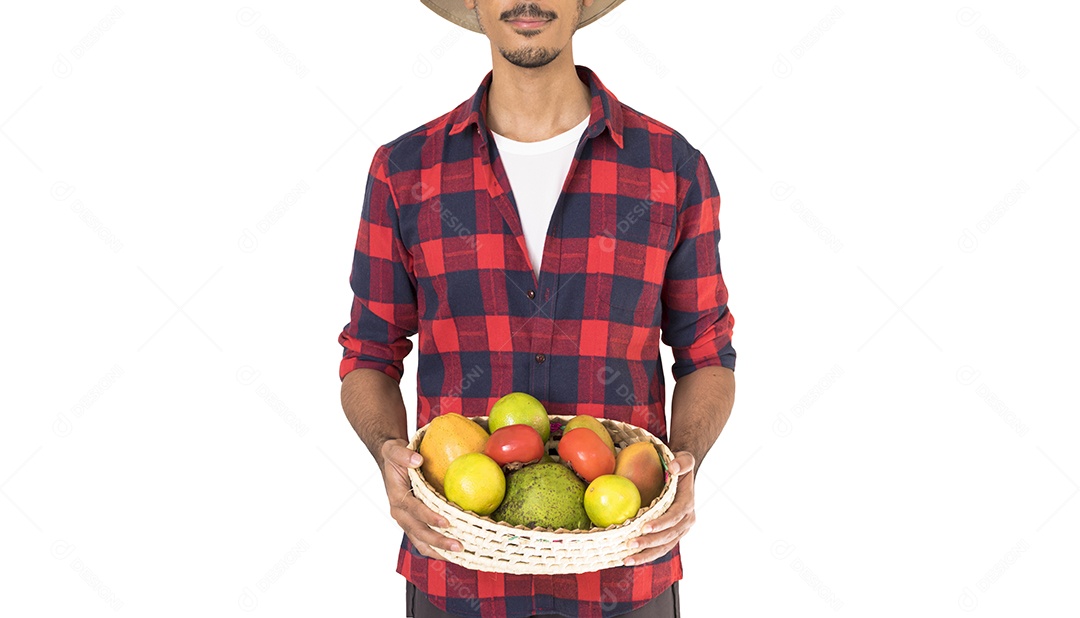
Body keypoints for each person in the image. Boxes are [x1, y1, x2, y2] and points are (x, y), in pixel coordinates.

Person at [338, 1, 736, 616]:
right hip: (456, 577)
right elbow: (368, 353)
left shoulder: (670, 168)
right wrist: (390, 454)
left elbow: (707, 354)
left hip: (625, 582)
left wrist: (682, 467)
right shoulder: (405, 172)